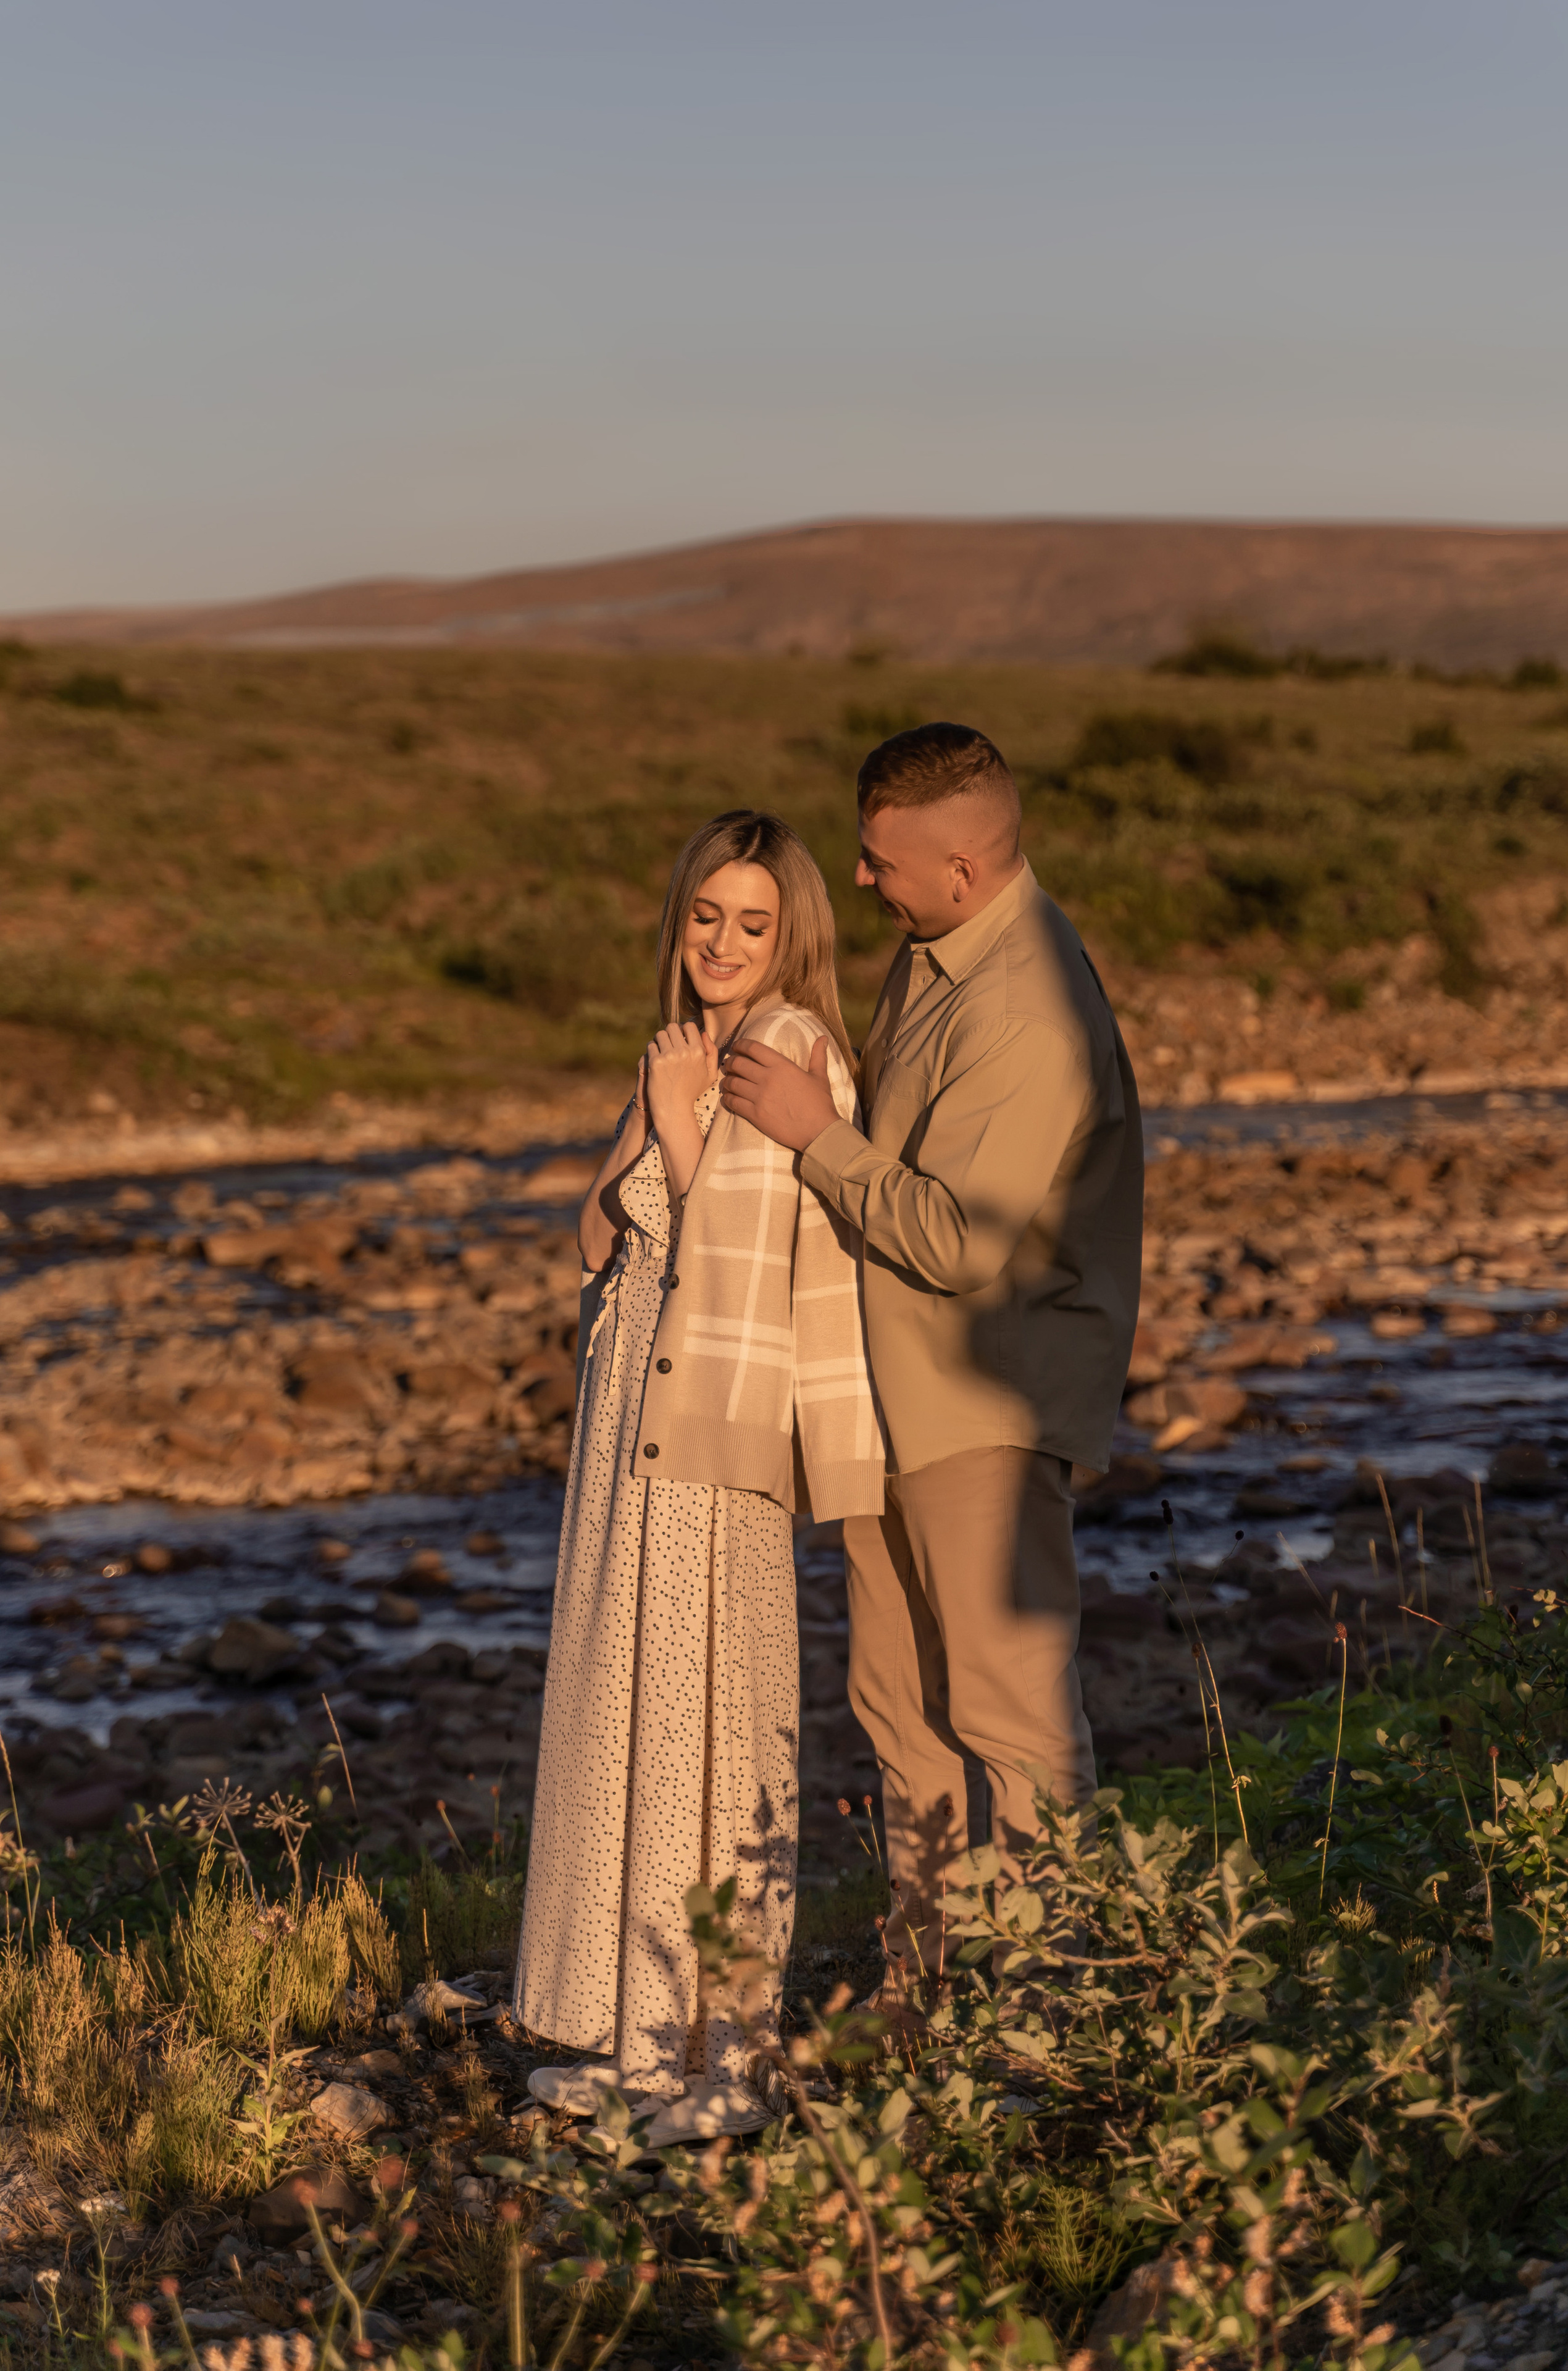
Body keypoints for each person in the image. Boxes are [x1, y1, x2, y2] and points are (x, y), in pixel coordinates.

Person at [720, 722, 1144, 1987]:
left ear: (961, 869)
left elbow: (962, 1241)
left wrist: (812, 1135)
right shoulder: (935, 951)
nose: (860, 878)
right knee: (898, 1709)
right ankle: (928, 1994)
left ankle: (1051, 2008)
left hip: (982, 1408)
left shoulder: (1024, 1008)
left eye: (880, 861)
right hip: (885, 1397)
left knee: (1009, 1714)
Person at [514, 808, 884, 2142]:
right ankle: (638, 2044)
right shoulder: (685, 1048)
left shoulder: (787, 1049)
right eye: (705, 917)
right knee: (631, 1715)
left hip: (710, 1422)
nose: (723, 943)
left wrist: (673, 1129)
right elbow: (589, 1238)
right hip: (630, 1414)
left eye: (753, 923)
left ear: (791, 936)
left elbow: (741, 1261)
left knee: (711, 1727)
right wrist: (655, 1111)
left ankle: (726, 2062)